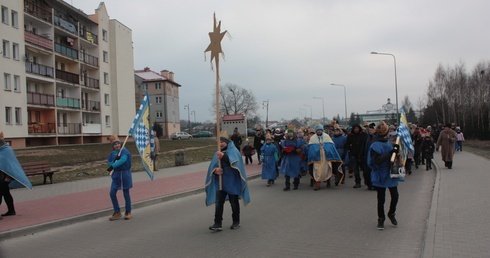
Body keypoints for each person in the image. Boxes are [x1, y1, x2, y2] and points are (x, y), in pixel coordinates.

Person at [205, 132, 250, 231]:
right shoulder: (217, 153)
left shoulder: (233, 151)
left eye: (222, 142)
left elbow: (235, 163)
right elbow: (212, 167)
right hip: (220, 182)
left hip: (232, 181)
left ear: (227, 142)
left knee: (233, 202)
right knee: (219, 202)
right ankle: (217, 223)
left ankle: (236, 221)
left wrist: (224, 157)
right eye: (219, 142)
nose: (221, 144)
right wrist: (215, 171)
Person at [367, 121, 400, 230]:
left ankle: (392, 213)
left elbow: (393, 158)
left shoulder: (387, 142)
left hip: (390, 173)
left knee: (395, 196)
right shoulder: (375, 145)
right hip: (380, 173)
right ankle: (381, 219)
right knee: (381, 199)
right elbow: (376, 160)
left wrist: (396, 151)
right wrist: (390, 153)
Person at [0, 131, 32, 217]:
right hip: (2, 177)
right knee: (6, 193)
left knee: (2, 193)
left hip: (4, 177)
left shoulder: (7, 150)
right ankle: (11, 210)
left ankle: (11, 210)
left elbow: (11, 165)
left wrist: (9, 177)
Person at [307, 125, 343, 190]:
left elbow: (331, 147)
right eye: (318, 130)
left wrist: (325, 147)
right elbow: (311, 149)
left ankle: (328, 182)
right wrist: (318, 148)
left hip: (326, 157)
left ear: (322, 130)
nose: (319, 131)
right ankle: (317, 184)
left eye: (320, 130)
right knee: (317, 170)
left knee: (327, 169)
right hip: (317, 158)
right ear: (316, 131)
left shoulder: (327, 136)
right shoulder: (313, 138)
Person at [107, 135, 133, 221]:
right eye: (115, 144)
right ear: (113, 146)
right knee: (112, 193)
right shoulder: (112, 153)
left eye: (118, 143)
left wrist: (113, 165)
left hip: (125, 174)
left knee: (126, 193)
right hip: (116, 175)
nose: (117, 145)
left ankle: (128, 211)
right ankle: (117, 211)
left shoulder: (124, 151)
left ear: (121, 144)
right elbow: (109, 162)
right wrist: (113, 163)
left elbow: (123, 160)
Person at [280, 126, 303, 191]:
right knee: (287, 171)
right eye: (289, 133)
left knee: (296, 170)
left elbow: (301, 147)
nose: (290, 134)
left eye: (291, 133)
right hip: (287, 157)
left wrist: (296, 151)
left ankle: (296, 184)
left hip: (295, 157)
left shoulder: (297, 140)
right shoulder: (285, 141)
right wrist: (283, 152)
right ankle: (287, 185)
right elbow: (283, 148)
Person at [345, 124, 367, 188]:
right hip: (353, 155)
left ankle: (367, 180)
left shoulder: (364, 135)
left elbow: (366, 144)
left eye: (357, 128)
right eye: (355, 129)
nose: (356, 130)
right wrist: (351, 149)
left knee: (364, 169)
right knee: (355, 170)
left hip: (362, 154)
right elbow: (347, 144)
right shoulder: (350, 136)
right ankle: (357, 182)